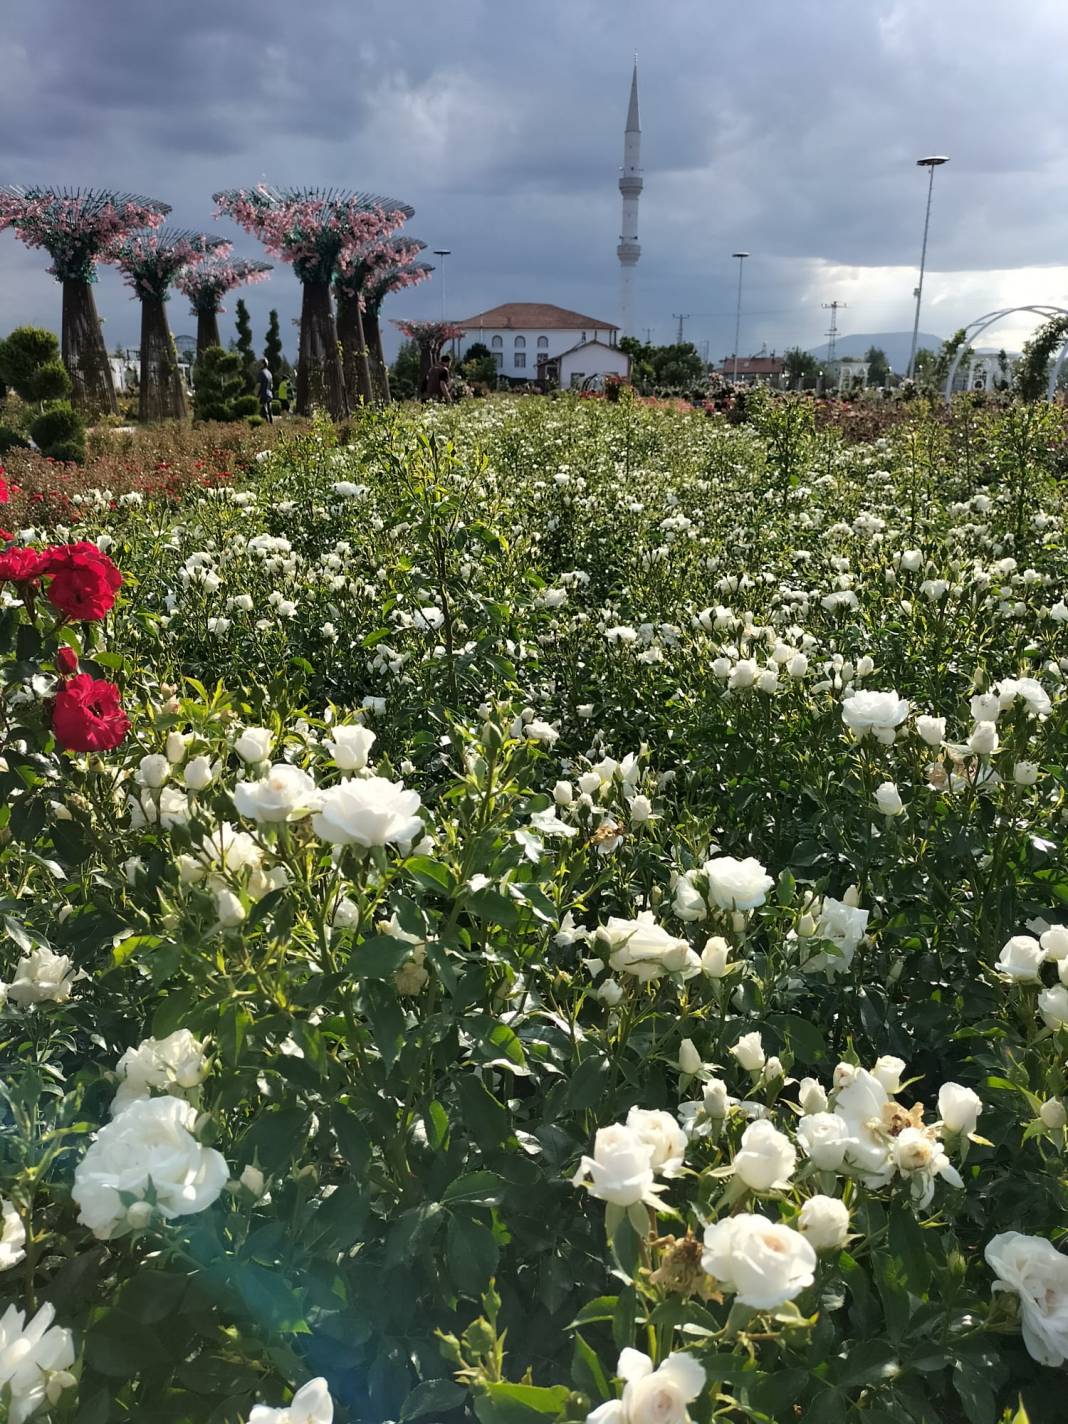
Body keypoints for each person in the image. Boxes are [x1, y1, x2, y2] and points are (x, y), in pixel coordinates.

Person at [258, 358, 274, 423]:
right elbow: (272, 386)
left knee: (264, 411)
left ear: (263, 364)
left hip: (263, 394)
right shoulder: (270, 373)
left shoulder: (261, 373)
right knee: (269, 410)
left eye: (260, 363)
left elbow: (258, 385)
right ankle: (271, 424)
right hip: (270, 394)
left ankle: (266, 425)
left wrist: (255, 394)